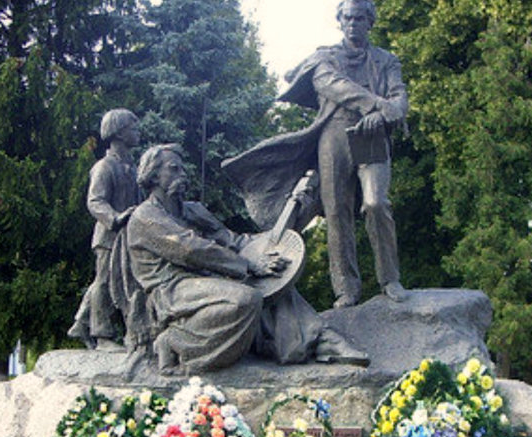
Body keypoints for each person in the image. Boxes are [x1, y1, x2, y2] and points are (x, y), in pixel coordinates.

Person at [222, 0, 408, 309]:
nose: (352, 24)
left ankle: (390, 279)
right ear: (339, 21)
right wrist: (378, 106)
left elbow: (400, 98)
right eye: (347, 18)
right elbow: (332, 85)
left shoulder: (386, 60)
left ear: (370, 22)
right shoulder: (324, 58)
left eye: (359, 18)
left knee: (376, 203)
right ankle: (346, 289)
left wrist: (385, 114)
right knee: (336, 212)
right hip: (333, 134)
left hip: (372, 137)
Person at [126, 144, 369, 374]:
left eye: (182, 167)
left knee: (274, 284)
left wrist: (283, 230)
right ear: (154, 176)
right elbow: (190, 249)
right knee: (245, 299)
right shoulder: (145, 217)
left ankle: (317, 340)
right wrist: (248, 265)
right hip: (171, 290)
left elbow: (235, 241)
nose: (183, 173)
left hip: (208, 280)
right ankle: (176, 342)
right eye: (173, 168)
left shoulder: (192, 210)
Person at [68, 108, 141, 349]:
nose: (137, 132)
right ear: (119, 134)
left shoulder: (132, 166)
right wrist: (116, 217)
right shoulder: (105, 166)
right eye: (133, 128)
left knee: (126, 281)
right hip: (109, 236)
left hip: (129, 236)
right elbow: (95, 201)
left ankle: (81, 322)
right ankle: (102, 335)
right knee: (104, 282)